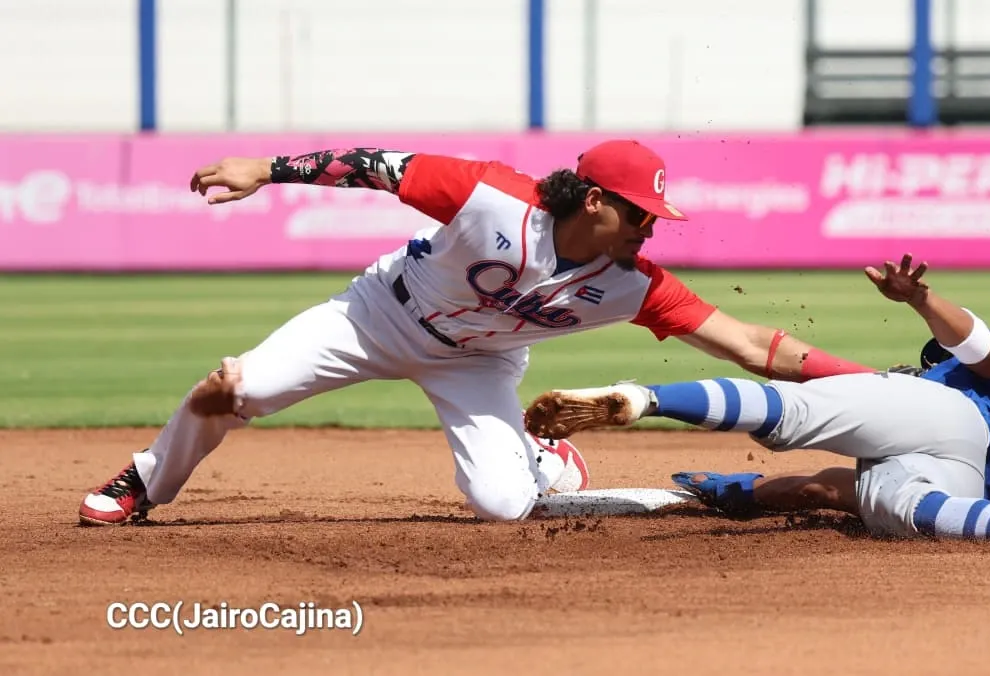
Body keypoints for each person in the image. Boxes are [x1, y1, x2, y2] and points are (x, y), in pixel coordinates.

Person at [78, 140, 876, 526]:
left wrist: (870, 384)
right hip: (375, 317)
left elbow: (752, 347)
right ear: (593, 200)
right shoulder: (492, 196)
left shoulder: (634, 284)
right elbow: (374, 166)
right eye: (640, 214)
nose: (650, 229)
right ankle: (145, 482)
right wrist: (267, 170)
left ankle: (540, 460)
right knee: (233, 388)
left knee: (502, 506)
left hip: (480, 362)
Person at [523, 254, 990, 550]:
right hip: (969, 489)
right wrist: (735, 491)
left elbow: (976, 344)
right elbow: (820, 491)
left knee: (795, 410)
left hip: (956, 426)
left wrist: (921, 300)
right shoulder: (988, 405)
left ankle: (642, 398)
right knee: (909, 510)